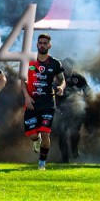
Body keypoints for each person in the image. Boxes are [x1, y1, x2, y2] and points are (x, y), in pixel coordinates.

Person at [22, 33, 66, 170]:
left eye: (45, 43)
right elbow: (22, 80)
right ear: (37, 44)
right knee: (34, 136)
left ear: (49, 45)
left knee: (46, 132)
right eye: (40, 43)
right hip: (32, 103)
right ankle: (37, 140)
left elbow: (62, 80)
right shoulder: (29, 61)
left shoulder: (55, 63)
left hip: (48, 103)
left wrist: (61, 87)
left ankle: (42, 163)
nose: (42, 45)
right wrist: (27, 97)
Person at [54, 62, 89, 163]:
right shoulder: (58, 79)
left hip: (76, 110)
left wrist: (86, 102)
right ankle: (65, 159)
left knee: (75, 132)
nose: (68, 69)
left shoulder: (78, 78)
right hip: (61, 110)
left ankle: (74, 149)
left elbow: (87, 91)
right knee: (62, 134)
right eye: (66, 67)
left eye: (70, 66)